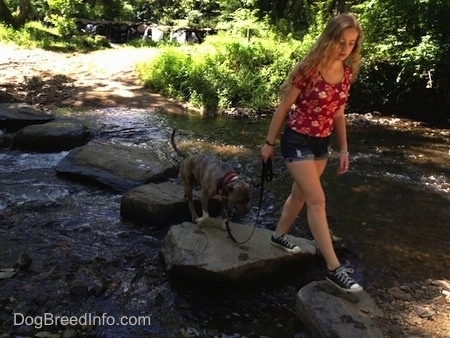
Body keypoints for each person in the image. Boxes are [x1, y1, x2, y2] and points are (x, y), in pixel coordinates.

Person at [260, 13, 364, 293]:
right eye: (341, 41)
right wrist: (269, 144)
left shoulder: (347, 74)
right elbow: (283, 108)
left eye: (352, 43)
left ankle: (279, 235)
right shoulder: (308, 68)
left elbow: (339, 114)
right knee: (317, 201)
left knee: (300, 195)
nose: (345, 48)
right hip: (296, 141)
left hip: (321, 144)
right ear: (330, 38)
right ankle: (334, 268)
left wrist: (344, 149)